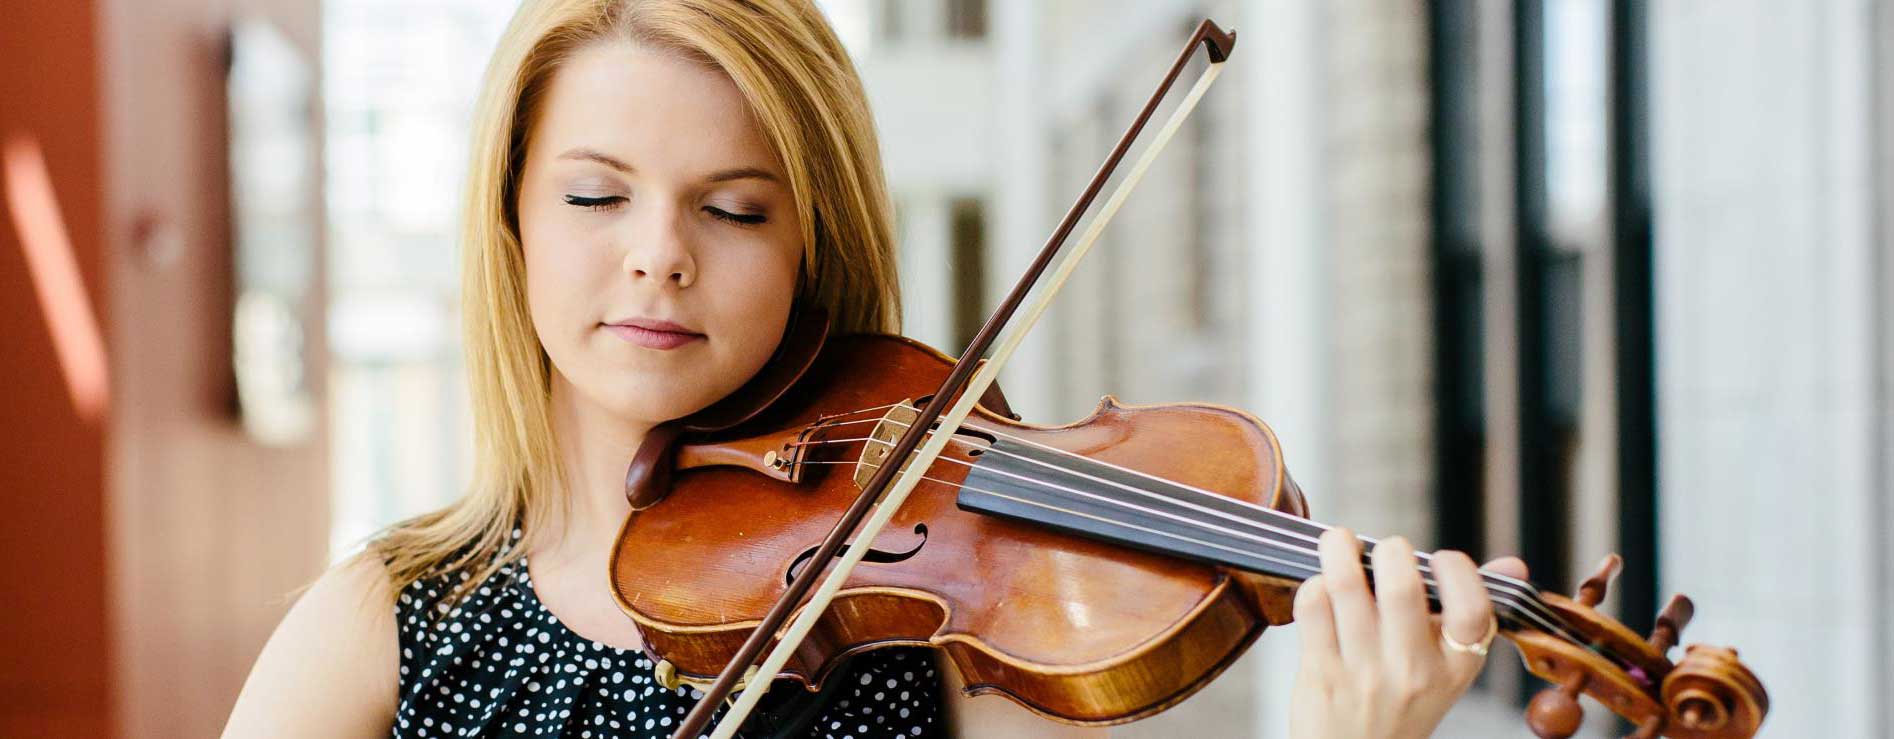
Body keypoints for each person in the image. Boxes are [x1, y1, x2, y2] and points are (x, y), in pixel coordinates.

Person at [221, 1, 1527, 736]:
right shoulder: (392, 623)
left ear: (810, 247)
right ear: (509, 227)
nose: (658, 257)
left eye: (733, 210)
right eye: (593, 197)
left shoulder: (940, 651)